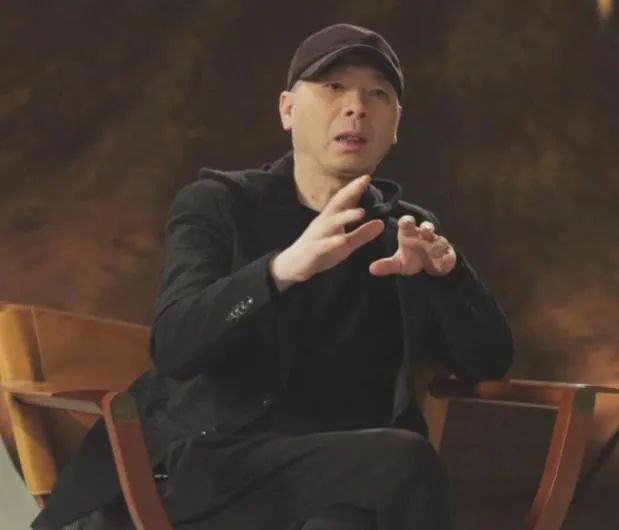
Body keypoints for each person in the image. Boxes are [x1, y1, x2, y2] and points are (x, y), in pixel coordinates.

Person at [32, 23, 515, 530]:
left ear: (396, 124)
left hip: (340, 475)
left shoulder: (407, 232)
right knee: (406, 459)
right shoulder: (220, 204)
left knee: (349, 521)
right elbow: (174, 344)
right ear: (287, 109)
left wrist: (449, 277)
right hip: (216, 469)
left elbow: (490, 363)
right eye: (334, 86)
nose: (357, 107)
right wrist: (281, 269)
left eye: (378, 94)